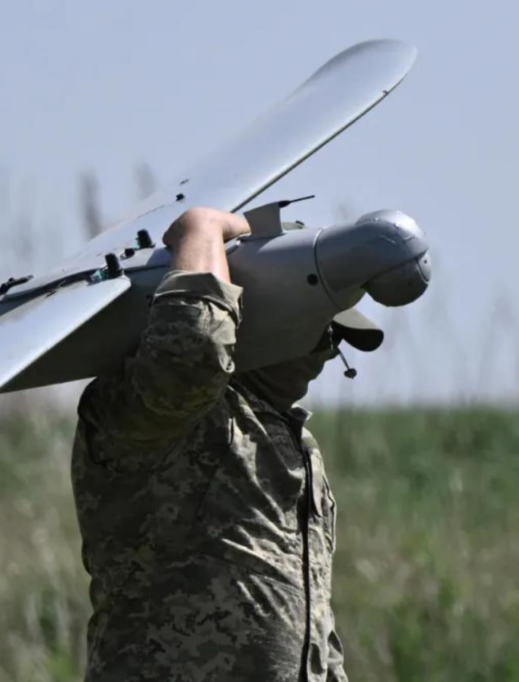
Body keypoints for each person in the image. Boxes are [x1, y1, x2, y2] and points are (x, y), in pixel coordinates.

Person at [72, 207, 354, 681]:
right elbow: (192, 353)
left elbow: (312, 627)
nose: (325, 350)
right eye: (317, 329)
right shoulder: (154, 415)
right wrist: (202, 229)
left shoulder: (289, 440)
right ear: (257, 316)